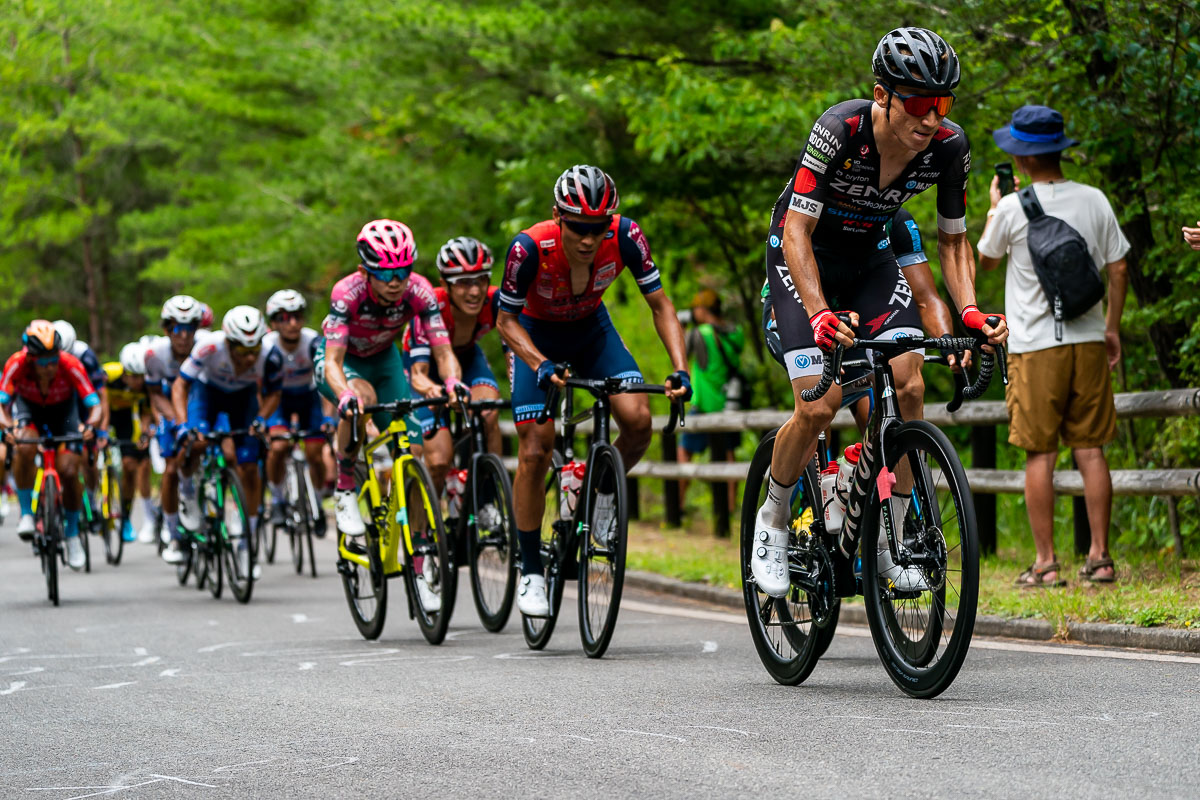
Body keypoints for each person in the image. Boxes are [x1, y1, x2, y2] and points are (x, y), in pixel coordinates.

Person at [752, 27, 1008, 598]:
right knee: (818, 406)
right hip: (803, 256)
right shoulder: (839, 128)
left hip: (869, 261)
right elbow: (797, 230)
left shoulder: (949, 147)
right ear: (882, 95)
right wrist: (819, 314)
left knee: (909, 383)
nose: (930, 119)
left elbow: (952, 241)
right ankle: (771, 519)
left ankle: (890, 538)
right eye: (918, 103)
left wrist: (967, 311)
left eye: (942, 105)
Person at [497, 164, 692, 617]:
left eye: (598, 228)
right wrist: (538, 363)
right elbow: (505, 321)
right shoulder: (529, 247)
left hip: (591, 332)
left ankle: (599, 491)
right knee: (534, 449)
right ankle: (528, 569)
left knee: (640, 421)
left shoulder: (627, 237)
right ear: (557, 217)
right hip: (534, 335)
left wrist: (681, 369)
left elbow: (660, 305)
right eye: (579, 228)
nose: (589, 239)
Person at [977, 104, 1130, 585]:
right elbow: (1119, 267)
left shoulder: (1011, 208)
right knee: (1091, 450)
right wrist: (1112, 327)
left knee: (1039, 454)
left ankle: (1044, 564)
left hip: (1033, 347)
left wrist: (991, 212)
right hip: (1087, 341)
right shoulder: (1094, 199)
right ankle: (1100, 558)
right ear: (1060, 151)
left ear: (1021, 159)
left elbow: (983, 263)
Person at [316, 219, 462, 613]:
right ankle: (346, 486)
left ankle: (418, 567)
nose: (396, 282)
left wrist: (450, 383)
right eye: (386, 274)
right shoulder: (346, 293)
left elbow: (443, 351)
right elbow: (333, 360)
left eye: (403, 271)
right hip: (345, 365)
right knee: (359, 399)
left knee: (413, 456)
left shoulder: (419, 291)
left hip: (384, 361)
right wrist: (344, 391)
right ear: (365, 271)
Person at [173, 306, 282, 578]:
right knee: (196, 443)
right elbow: (180, 385)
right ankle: (188, 493)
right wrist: (182, 424)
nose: (248, 357)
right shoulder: (208, 347)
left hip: (242, 398)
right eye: (241, 350)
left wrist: (261, 419)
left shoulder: (270, 355)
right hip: (206, 394)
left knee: (249, 468)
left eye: (253, 350)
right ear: (228, 342)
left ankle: (247, 542)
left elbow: (274, 394)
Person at [402, 236, 504, 494]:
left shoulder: (495, 302)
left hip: (468, 359)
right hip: (425, 371)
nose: (474, 291)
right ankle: (424, 527)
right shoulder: (430, 306)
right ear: (444, 284)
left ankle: (487, 500)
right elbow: (418, 376)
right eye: (463, 283)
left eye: (481, 279)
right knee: (438, 460)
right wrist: (433, 391)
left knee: (489, 412)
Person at [0, 321, 101, 569]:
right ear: (30, 358)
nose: (50, 367)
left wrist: (89, 427)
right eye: (43, 362)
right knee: (24, 446)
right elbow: (2, 405)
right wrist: (8, 427)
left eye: (53, 359)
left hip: (64, 413)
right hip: (29, 408)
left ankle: (73, 533)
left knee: (69, 471)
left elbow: (95, 405)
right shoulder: (16, 363)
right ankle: (26, 513)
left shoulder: (71, 364)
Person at [145, 295, 209, 563]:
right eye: (176, 329)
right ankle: (173, 535)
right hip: (169, 409)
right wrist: (175, 419)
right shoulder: (154, 354)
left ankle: (204, 492)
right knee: (171, 470)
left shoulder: (207, 347)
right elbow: (154, 395)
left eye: (189, 328)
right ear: (166, 329)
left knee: (206, 444)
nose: (183, 336)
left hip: (201, 403)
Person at [262, 289, 329, 538]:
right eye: (283, 317)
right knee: (278, 448)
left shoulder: (313, 342)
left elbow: (328, 382)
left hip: (307, 398)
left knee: (316, 455)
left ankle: (318, 505)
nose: (292, 323)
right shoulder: (266, 347)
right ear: (273, 322)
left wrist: (330, 417)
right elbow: (258, 386)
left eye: (297, 316)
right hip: (277, 399)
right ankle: (278, 500)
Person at [677, 289, 744, 511]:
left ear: (701, 310)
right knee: (729, 457)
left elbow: (682, 354)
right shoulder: (735, 332)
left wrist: (682, 327)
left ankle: (677, 506)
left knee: (684, 454)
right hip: (729, 404)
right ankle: (731, 508)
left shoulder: (701, 333)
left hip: (704, 404)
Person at [103, 343, 158, 543]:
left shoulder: (145, 383)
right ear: (124, 371)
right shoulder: (108, 374)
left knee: (130, 466)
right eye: (133, 377)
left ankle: (125, 517)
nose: (137, 382)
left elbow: (145, 413)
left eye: (140, 377)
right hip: (104, 414)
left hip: (125, 418)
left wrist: (144, 434)